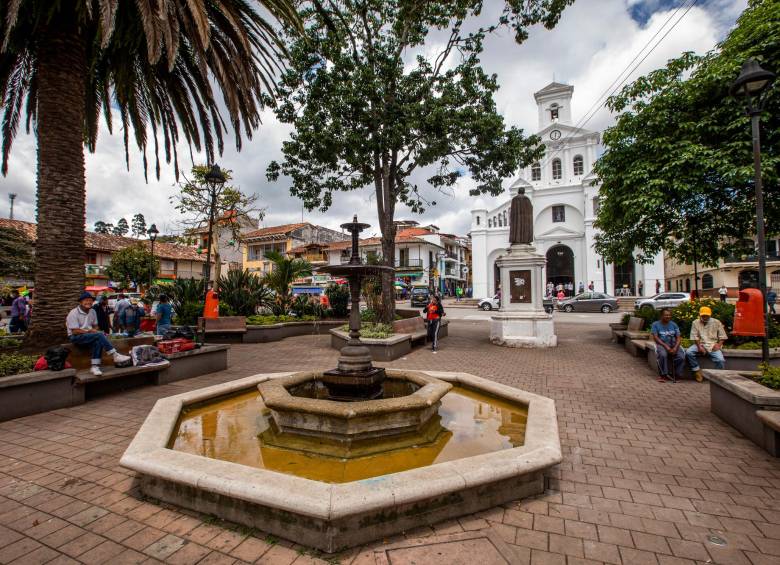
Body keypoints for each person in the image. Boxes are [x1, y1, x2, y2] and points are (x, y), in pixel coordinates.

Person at [67, 292, 131, 376]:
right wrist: (90, 331)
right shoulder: (73, 313)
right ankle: (115, 355)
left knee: (98, 340)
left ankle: (94, 366)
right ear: (80, 302)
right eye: (86, 300)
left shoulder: (93, 311)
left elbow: (96, 326)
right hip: (75, 336)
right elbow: (74, 331)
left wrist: (95, 330)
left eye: (90, 301)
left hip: (88, 335)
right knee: (99, 336)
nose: (88, 302)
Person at [686, 306, 728, 382]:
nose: (705, 317)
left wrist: (718, 345)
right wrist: (699, 347)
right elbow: (694, 336)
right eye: (703, 315)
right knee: (689, 352)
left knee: (720, 360)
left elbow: (723, 336)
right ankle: (697, 370)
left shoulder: (717, 322)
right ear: (700, 315)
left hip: (712, 344)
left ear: (710, 315)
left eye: (707, 315)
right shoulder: (695, 322)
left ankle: (718, 376)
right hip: (700, 343)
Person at [651, 309, 684, 383]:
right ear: (661, 316)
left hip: (673, 344)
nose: (668, 316)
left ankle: (675, 374)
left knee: (681, 357)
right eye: (666, 315)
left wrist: (675, 347)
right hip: (661, 344)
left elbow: (678, 337)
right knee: (663, 355)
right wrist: (666, 346)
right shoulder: (655, 324)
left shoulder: (674, 324)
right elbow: (656, 338)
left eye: (669, 315)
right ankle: (663, 375)